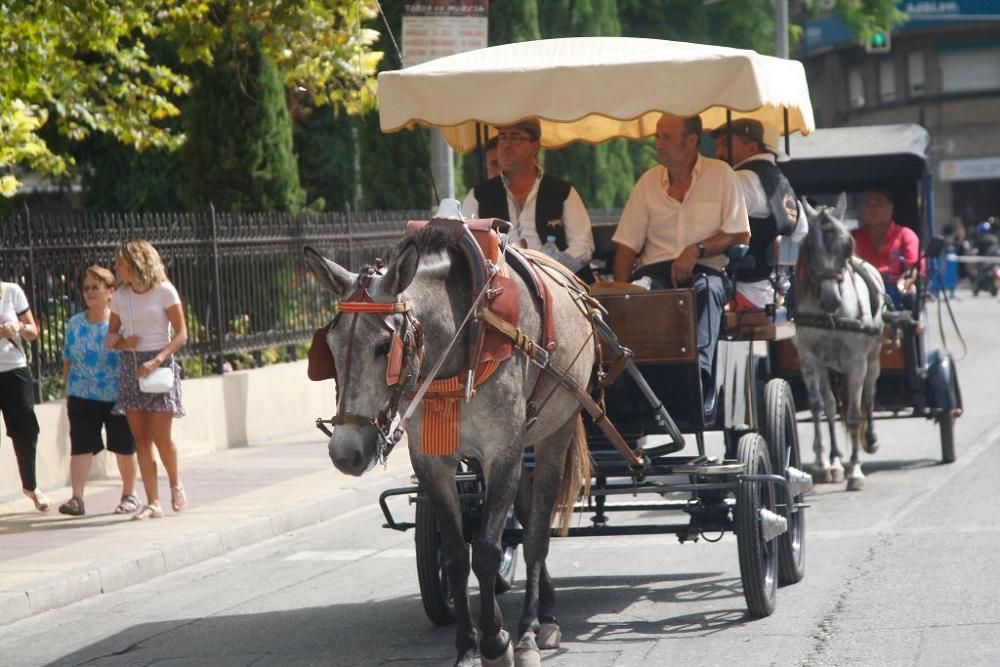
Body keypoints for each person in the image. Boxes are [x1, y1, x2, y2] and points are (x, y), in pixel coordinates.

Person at [612, 112, 750, 410]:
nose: (658, 144)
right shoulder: (648, 182)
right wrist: (622, 296)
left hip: (708, 269)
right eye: (657, 137)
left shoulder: (721, 173)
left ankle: (696, 378)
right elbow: (625, 248)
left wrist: (697, 249)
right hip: (655, 273)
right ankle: (631, 382)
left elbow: (739, 234)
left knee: (706, 291)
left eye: (666, 137)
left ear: (691, 141)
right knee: (641, 293)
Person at [105, 240, 188, 521]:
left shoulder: (164, 291)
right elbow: (110, 338)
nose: (116, 268)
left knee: (161, 438)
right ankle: (153, 501)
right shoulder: (120, 297)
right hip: (131, 366)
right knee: (141, 438)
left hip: (160, 365)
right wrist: (123, 342)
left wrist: (157, 359)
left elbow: (181, 334)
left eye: (120, 263)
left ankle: (175, 484)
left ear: (136, 263)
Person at [461, 119, 595, 280]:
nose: (506, 144)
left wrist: (552, 271)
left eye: (516, 137)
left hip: (556, 282)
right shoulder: (478, 195)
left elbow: (583, 244)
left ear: (535, 146)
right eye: (502, 137)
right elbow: (464, 243)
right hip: (500, 284)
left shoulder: (563, 192)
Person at [57, 266, 139, 517]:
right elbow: (68, 358)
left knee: (123, 446)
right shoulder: (75, 323)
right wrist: (67, 388)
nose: (90, 292)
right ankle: (77, 499)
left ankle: (129, 494)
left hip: (116, 395)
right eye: (86, 288)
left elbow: (133, 352)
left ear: (110, 292)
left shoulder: (122, 323)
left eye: (96, 287)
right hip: (82, 394)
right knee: (81, 447)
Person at [710, 118, 807, 310]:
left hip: (739, 293)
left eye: (725, 145)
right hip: (777, 296)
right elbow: (801, 233)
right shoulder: (784, 185)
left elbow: (707, 227)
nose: (718, 153)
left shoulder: (740, 180)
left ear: (752, 148)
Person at [0, 279, 49, 511]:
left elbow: (33, 331)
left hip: (14, 369)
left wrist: (17, 327)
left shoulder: (11, 291)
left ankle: (30, 485)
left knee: (26, 429)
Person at [852, 189, 920, 308]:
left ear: (890, 207)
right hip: (860, 292)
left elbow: (913, 267)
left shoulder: (906, 235)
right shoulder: (852, 238)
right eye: (868, 204)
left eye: (878, 203)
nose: (872, 209)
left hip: (896, 291)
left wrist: (907, 279)